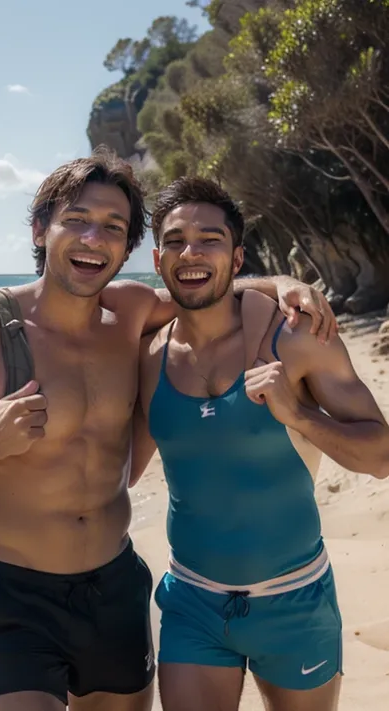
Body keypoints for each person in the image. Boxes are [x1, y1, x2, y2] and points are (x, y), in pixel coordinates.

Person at [0, 150, 335, 711]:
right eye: (77, 219)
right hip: (13, 593)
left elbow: (206, 288)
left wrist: (284, 281)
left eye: (113, 227)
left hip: (114, 587)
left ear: (132, 248)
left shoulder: (132, 312)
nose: (94, 238)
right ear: (42, 228)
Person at [135, 176, 389, 711]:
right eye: (177, 241)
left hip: (296, 602)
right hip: (192, 603)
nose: (192, 252)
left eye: (210, 239)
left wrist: (295, 413)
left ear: (238, 256)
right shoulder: (146, 355)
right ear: (158, 261)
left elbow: (380, 456)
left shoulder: (294, 338)